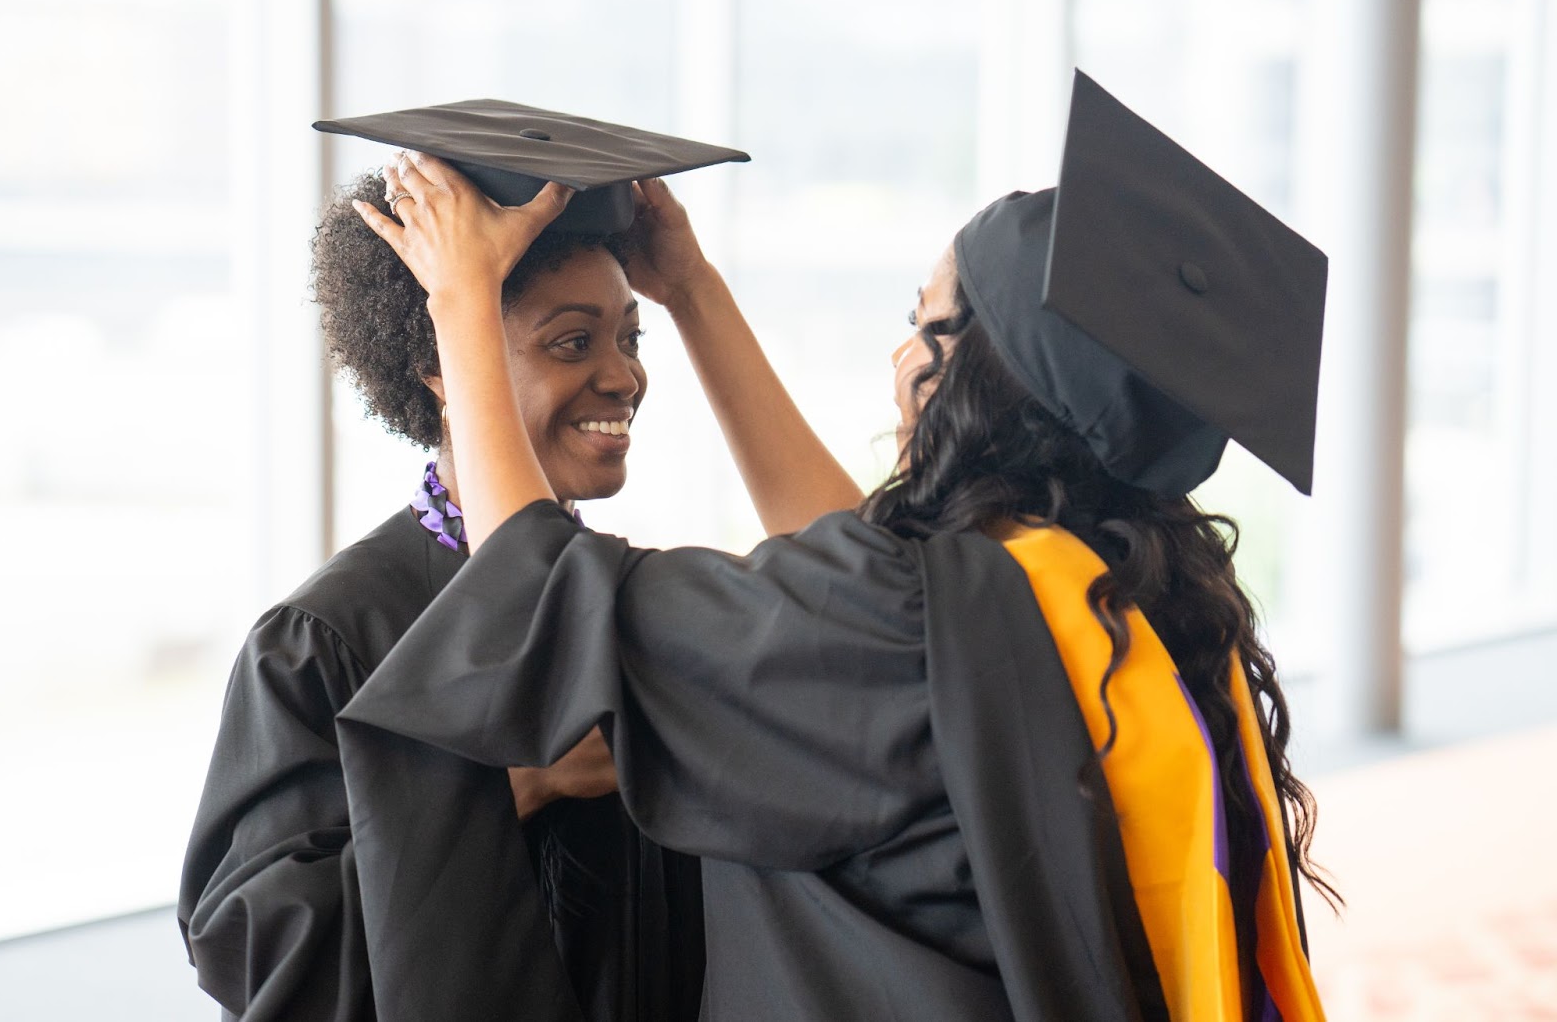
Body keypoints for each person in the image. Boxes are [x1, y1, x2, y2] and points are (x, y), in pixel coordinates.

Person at [342, 72, 1335, 1021]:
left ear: (980, 377)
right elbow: (852, 556)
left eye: (928, 325)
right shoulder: (1114, 580)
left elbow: (544, 599)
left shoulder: (907, 615)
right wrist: (687, 288)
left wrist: (460, 304)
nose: (901, 354)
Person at [178, 149, 718, 1021]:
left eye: (629, 337)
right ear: (444, 367)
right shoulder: (329, 636)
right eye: (574, 342)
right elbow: (257, 948)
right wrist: (510, 787)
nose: (622, 377)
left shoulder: (627, 603)